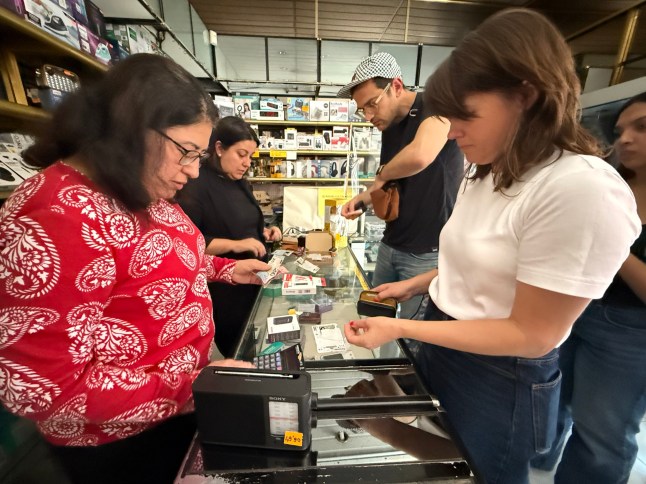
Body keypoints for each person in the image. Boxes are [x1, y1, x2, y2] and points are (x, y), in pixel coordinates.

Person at [343, 9, 641, 484]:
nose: (451, 131)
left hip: (499, 372)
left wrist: (400, 329)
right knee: (449, 463)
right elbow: (490, 265)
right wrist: (417, 284)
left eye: (464, 114)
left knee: (485, 471)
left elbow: (532, 333)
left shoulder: (580, 188)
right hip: (447, 342)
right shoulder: (487, 170)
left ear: (525, 95)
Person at [0, 54, 269, 484]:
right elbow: (41, 388)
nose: (193, 170)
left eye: (199, 155)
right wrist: (190, 388)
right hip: (119, 441)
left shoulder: (135, 184)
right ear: (133, 126)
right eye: (186, 152)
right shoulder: (55, 216)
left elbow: (153, 264)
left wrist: (223, 270)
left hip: (173, 412)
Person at [532, 92, 646, 483]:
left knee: (601, 433)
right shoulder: (609, 184)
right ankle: (539, 464)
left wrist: (610, 239)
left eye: (642, 127)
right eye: (621, 130)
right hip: (572, 309)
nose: (625, 138)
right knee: (549, 404)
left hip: (630, 330)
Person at [338, 52, 464, 320]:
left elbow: (419, 156)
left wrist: (382, 173)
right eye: (362, 109)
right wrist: (362, 200)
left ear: (396, 86)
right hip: (390, 244)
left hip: (425, 253)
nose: (368, 116)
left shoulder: (435, 105)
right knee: (374, 319)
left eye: (372, 104)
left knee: (411, 335)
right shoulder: (390, 124)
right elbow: (391, 180)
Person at [178, 116, 282, 357]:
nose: (246, 163)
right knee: (239, 351)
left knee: (258, 346)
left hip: (253, 282)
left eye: (250, 157)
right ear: (219, 148)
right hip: (226, 291)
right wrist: (237, 244)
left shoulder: (239, 182)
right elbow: (190, 245)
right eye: (241, 154)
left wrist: (263, 232)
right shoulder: (196, 185)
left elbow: (242, 222)